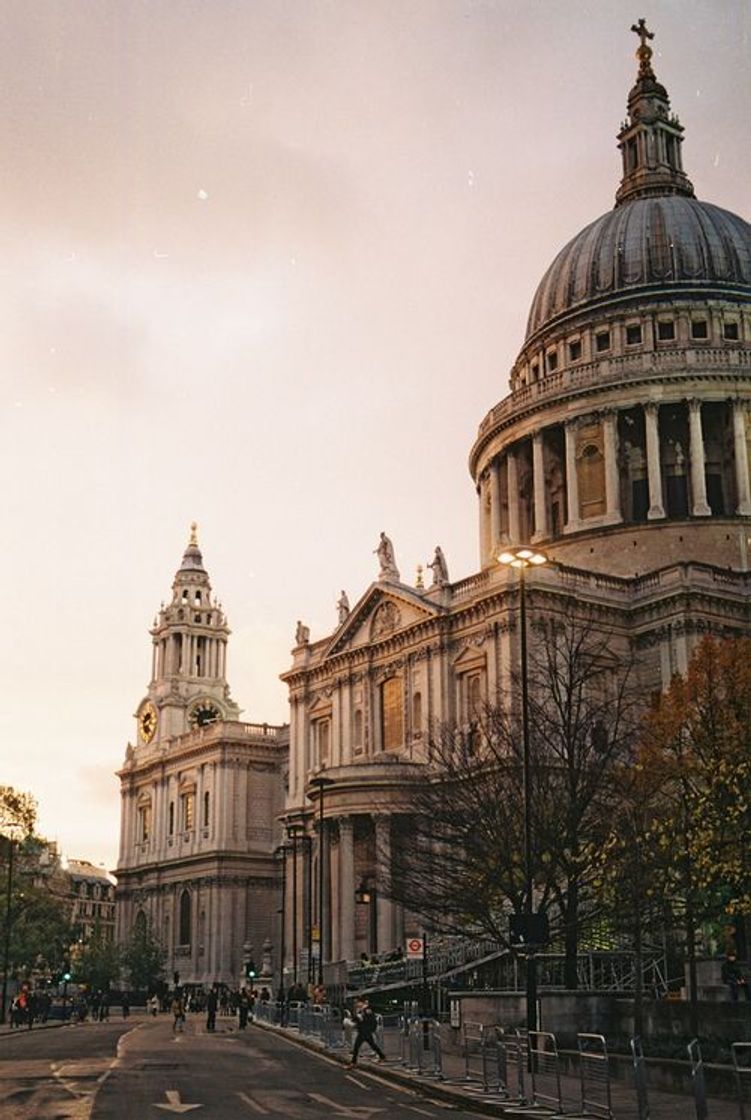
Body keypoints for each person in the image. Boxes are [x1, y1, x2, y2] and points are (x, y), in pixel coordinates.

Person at [347, 997, 386, 1067]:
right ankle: (382, 1056)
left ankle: (353, 1063)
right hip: (363, 1030)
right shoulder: (360, 1010)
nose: (356, 1004)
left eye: (357, 1002)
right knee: (372, 1045)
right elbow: (359, 1019)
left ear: (361, 1002)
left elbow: (370, 1020)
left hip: (365, 1031)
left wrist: (369, 1028)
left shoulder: (367, 1009)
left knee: (356, 1047)